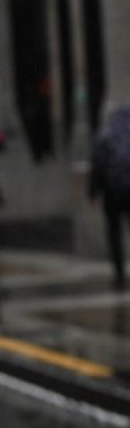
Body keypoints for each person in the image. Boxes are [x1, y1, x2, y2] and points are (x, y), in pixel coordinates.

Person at [90, 105, 130, 290]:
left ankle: (119, 273)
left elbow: (98, 165)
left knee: (114, 233)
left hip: (112, 191)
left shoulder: (105, 135)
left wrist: (93, 192)